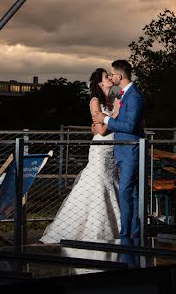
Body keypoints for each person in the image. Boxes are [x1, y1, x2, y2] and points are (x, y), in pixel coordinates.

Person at [40, 68, 120, 243]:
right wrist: (114, 117)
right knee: (98, 183)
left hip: (113, 149)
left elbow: (102, 125)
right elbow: (100, 130)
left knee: (112, 182)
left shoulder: (113, 100)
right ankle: (90, 231)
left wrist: (110, 118)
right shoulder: (95, 101)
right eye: (107, 76)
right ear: (100, 83)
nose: (110, 78)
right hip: (101, 148)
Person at [92, 59, 145, 240]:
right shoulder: (123, 95)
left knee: (126, 192)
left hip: (131, 150)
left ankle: (127, 235)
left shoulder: (134, 96)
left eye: (112, 73)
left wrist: (105, 120)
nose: (111, 76)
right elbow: (120, 122)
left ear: (120, 76)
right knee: (132, 192)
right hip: (122, 150)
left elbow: (129, 126)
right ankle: (134, 233)